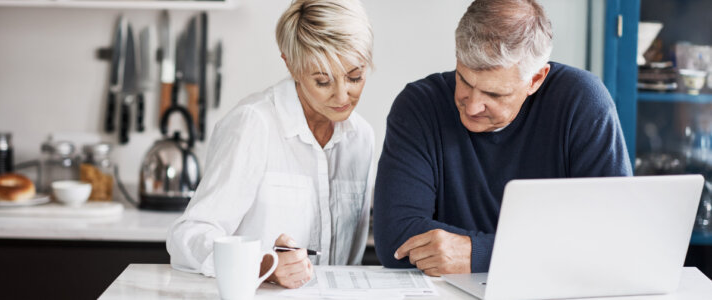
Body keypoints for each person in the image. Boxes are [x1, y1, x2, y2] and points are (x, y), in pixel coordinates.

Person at [373, 0, 632, 276]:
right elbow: (396, 237)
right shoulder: (419, 106)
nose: (472, 106)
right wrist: (546, 252)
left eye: (494, 94)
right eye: (464, 81)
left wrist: (480, 253)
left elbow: (612, 237)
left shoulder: (582, 103)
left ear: (536, 80)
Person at [166, 0, 374, 289]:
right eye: (323, 81)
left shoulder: (361, 138)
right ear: (290, 64)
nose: (342, 96)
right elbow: (188, 236)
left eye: (355, 77)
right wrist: (262, 265)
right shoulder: (253, 124)